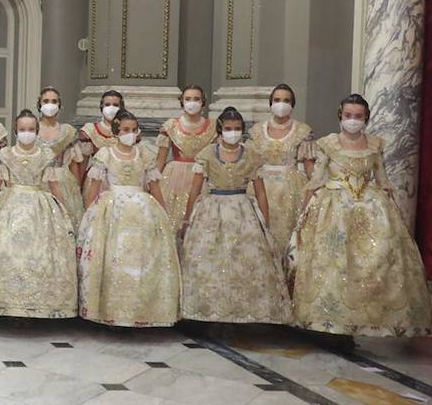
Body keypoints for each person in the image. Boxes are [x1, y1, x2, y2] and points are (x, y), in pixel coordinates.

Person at [288, 94, 431, 338]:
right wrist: (303, 211)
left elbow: (383, 179)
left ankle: (365, 322)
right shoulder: (328, 144)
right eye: (348, 116)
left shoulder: (375, 144)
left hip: (372, 207)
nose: (352, 121)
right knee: (334, 264)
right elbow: (316, 178)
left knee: (376, 261)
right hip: (334, 208)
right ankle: (331, 324)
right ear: (340, 116)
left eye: (358, 116)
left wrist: (396, 214)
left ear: (366, 118)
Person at [179, 107, 290, 324]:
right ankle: (206, 312)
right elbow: (194, 190)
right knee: (208, 260)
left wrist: (264, 221)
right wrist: (187, 218)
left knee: (246, 261)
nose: (233, 132)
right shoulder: (207, 154)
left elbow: (260, 192)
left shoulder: (252, 156)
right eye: (229, 129)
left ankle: (243, 312)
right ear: (220, 130)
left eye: (237, 129)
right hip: (211, 211)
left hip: (243, 212)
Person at [78, 110, 181, 327]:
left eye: (134, 130)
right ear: (116, 131)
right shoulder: (104, 155)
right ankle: (112, 310)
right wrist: (89, 216)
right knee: (114, 258)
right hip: (112, 211)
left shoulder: (145, 155)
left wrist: (164, 214)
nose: (130, 134)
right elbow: (93, 189)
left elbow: (154, 187)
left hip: (143, 211)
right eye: (125, 130)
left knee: (141, 259)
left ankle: (140, 311)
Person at [0, 110, 78, 319]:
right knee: (6, 253)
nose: (27, 133)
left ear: (37, 131)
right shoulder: (6, 155)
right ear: (16, 131)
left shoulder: (46, 156)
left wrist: (65, 211)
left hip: (40, 207)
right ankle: (8, 306)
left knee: (39, 255)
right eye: (22, 129)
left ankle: (35, 306)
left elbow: (54, 185)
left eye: (31, 129)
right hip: (8, 207)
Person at [246, 83, 314, 258]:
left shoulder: (302, 131)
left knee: (288, 238)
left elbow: (311, 171)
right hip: (260, 188)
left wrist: (315, 195)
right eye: (277, 100)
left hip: (291, 191)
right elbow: (249, 164)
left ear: (292, 104)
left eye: (286, 100)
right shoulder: (256, 131)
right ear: (270, 103)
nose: (281, 104)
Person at [155, 84, 217, 233]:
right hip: (174, 179)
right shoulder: (171, 126)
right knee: (171, 223)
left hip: (203, 178)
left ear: (203, 101)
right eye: (188, 99)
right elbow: (160, 160)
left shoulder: (213, 127)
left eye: (196, 99)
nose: (192, 102)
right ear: (182, 101)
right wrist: (152, 185)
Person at [36, 86, 85, 226]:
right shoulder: (32, 128)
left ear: (60, 105)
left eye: (54, 101)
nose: (50, 105)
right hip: (38, 179)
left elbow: (74, 163)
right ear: (39, 104)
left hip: (63, 180)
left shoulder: (68, 131)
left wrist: (77, 187)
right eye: (46, 101)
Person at [77, 89, 126, 188]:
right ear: (101, 107)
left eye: (115, 105)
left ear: (122, 107)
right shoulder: (90, 130)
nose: (111, 108)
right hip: (97, 180)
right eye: (107, 104)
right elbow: (83, 162)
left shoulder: (128, 131)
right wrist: (78, 186)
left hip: (122, 179)